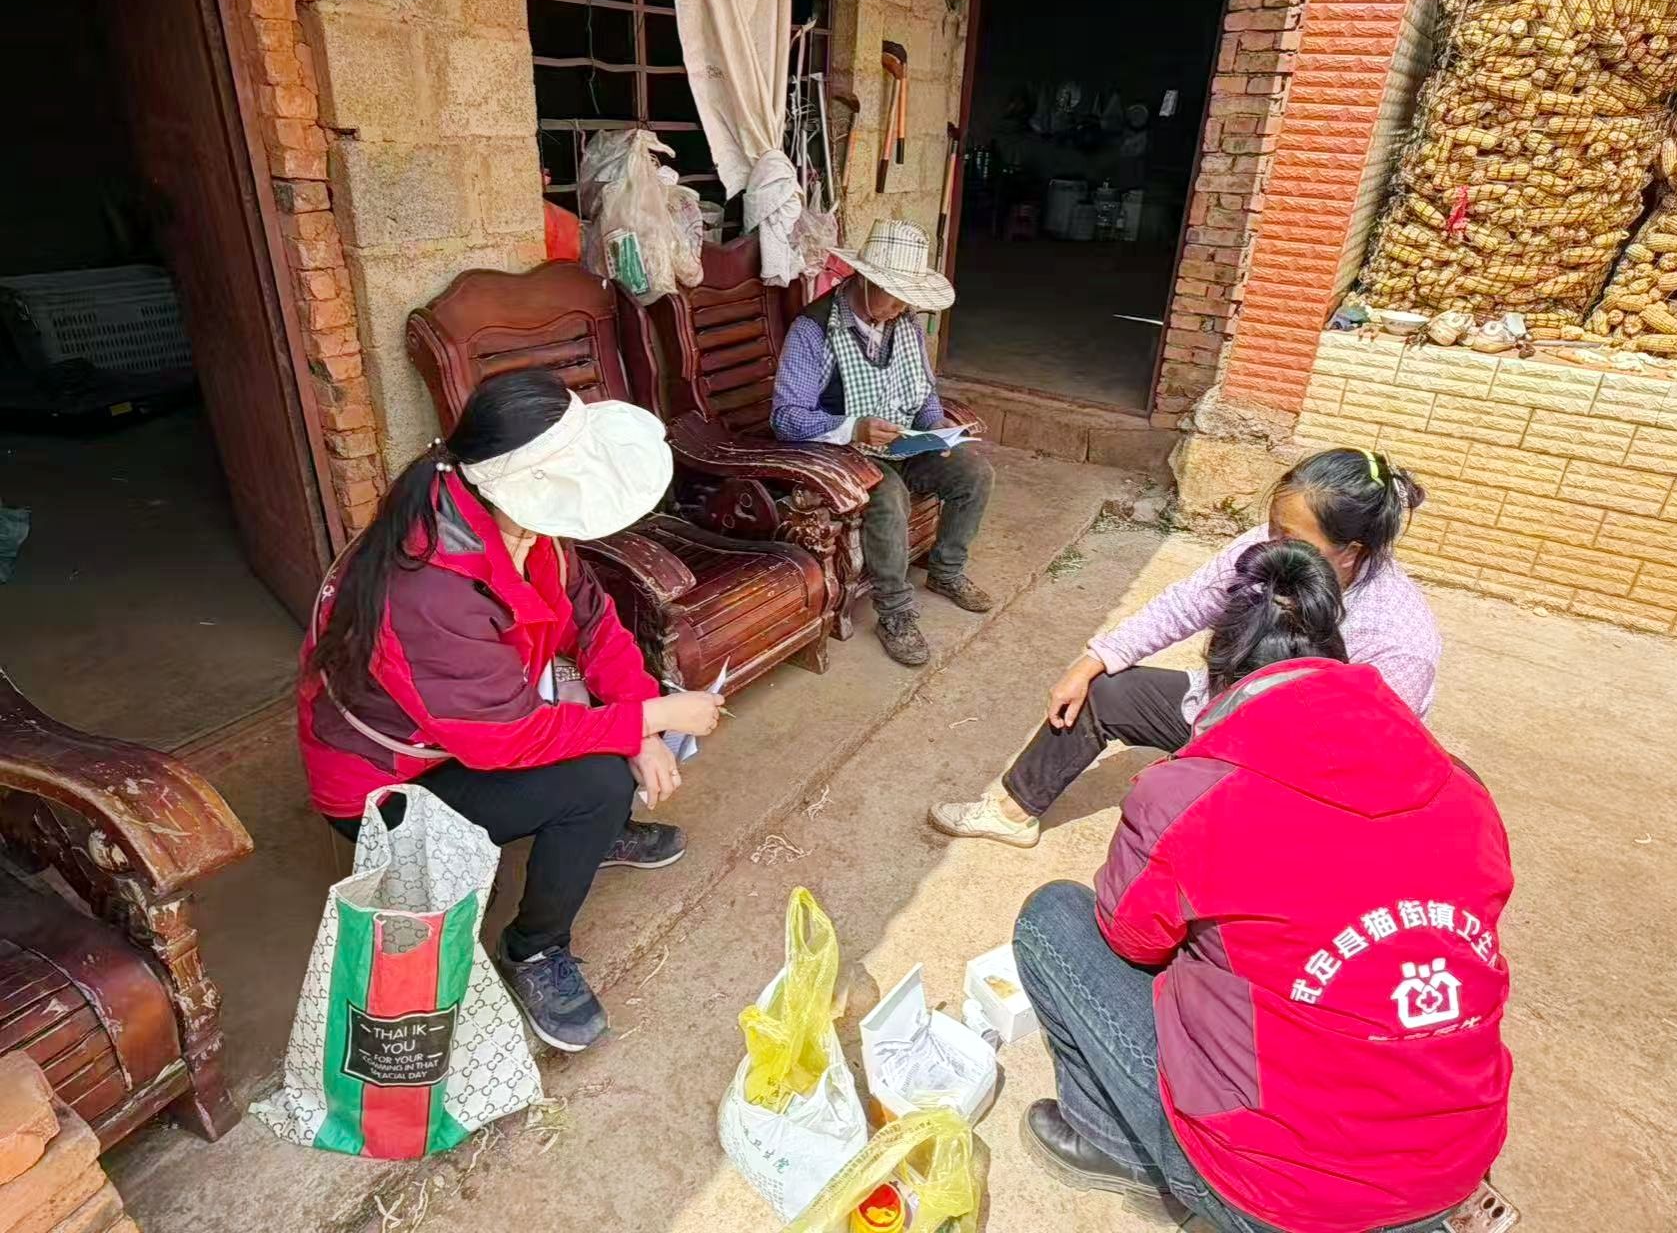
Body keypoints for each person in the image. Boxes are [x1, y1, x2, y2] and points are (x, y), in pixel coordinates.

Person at [1012, 540, 1513, 1233]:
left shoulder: (1191, 795)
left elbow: (1130, 937)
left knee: (1053, 919)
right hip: (1452, 1171)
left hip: (1281, 1197)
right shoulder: (1462, 788)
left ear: (1217, 677)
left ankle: (1112, 1140)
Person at [298, 371, 725, 1052]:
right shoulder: (430, 590)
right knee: (597, 780)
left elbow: (593, 623)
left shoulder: (517, 520)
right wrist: (648, 722)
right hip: (386, 786)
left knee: (612, 724)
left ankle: (589, 838)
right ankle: (534, 948)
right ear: (524, 486)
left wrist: (645, 711)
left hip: (462, 730)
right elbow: (503, 740)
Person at [930, 446, 1438, 847]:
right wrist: (1092, 660)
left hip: (1294, 774)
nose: (1271, 544)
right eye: (1273, 528)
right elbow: (1185, 605)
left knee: (1193, 836)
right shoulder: (1262, 550)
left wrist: (1217, 777)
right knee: (1102, 691)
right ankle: (1011, 812)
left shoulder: (1397, 638)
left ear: (1351, 552)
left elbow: (1358, 761)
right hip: (1219, 713)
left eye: (1291, 538)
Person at [772, 219, 995, 667]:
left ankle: (946, 571)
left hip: (902, 444)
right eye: (894, 296)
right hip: (844, 454)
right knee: (888, 496)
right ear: (866, 281)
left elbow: (924, 391)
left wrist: (936, 429)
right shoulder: (814, 330)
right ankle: (895, 613)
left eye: (906, 299)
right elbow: (785, 418)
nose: (900, 308)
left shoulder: (904, 322)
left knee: (974, 472)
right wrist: (854, 428)